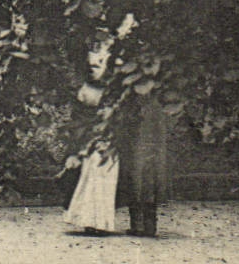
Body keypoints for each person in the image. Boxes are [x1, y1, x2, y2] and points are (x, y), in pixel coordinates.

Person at [117, 96, 172, 237]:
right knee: (148, 188)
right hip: (153, 154)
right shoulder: (156, 106)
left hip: (138, 152)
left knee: (137, 186)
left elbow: (126, 130)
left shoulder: (134, 105)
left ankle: (139, 226)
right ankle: (149, 226)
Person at [64, 145, 120, 234]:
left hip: (109, 155)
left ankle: (102, 224)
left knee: (105, 189)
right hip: (92, 155)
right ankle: (88, 223)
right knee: (88, 188)